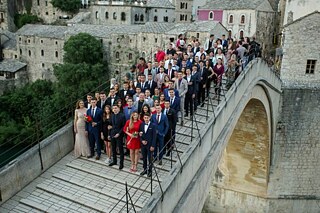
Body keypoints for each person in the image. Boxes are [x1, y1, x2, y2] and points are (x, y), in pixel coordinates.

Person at [109, 105, 126, 169]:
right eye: (113, 108)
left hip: (119, 134)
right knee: (113, 148)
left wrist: (119, 133)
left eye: (116, 108)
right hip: (112, 134)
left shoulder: (122, 116)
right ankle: (114, 161)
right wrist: (109, 134)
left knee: (121, 149)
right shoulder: (112, 115)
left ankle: (121, 164)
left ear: (118, 108)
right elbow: (110, 125)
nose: (114, 109)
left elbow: (123, 126)